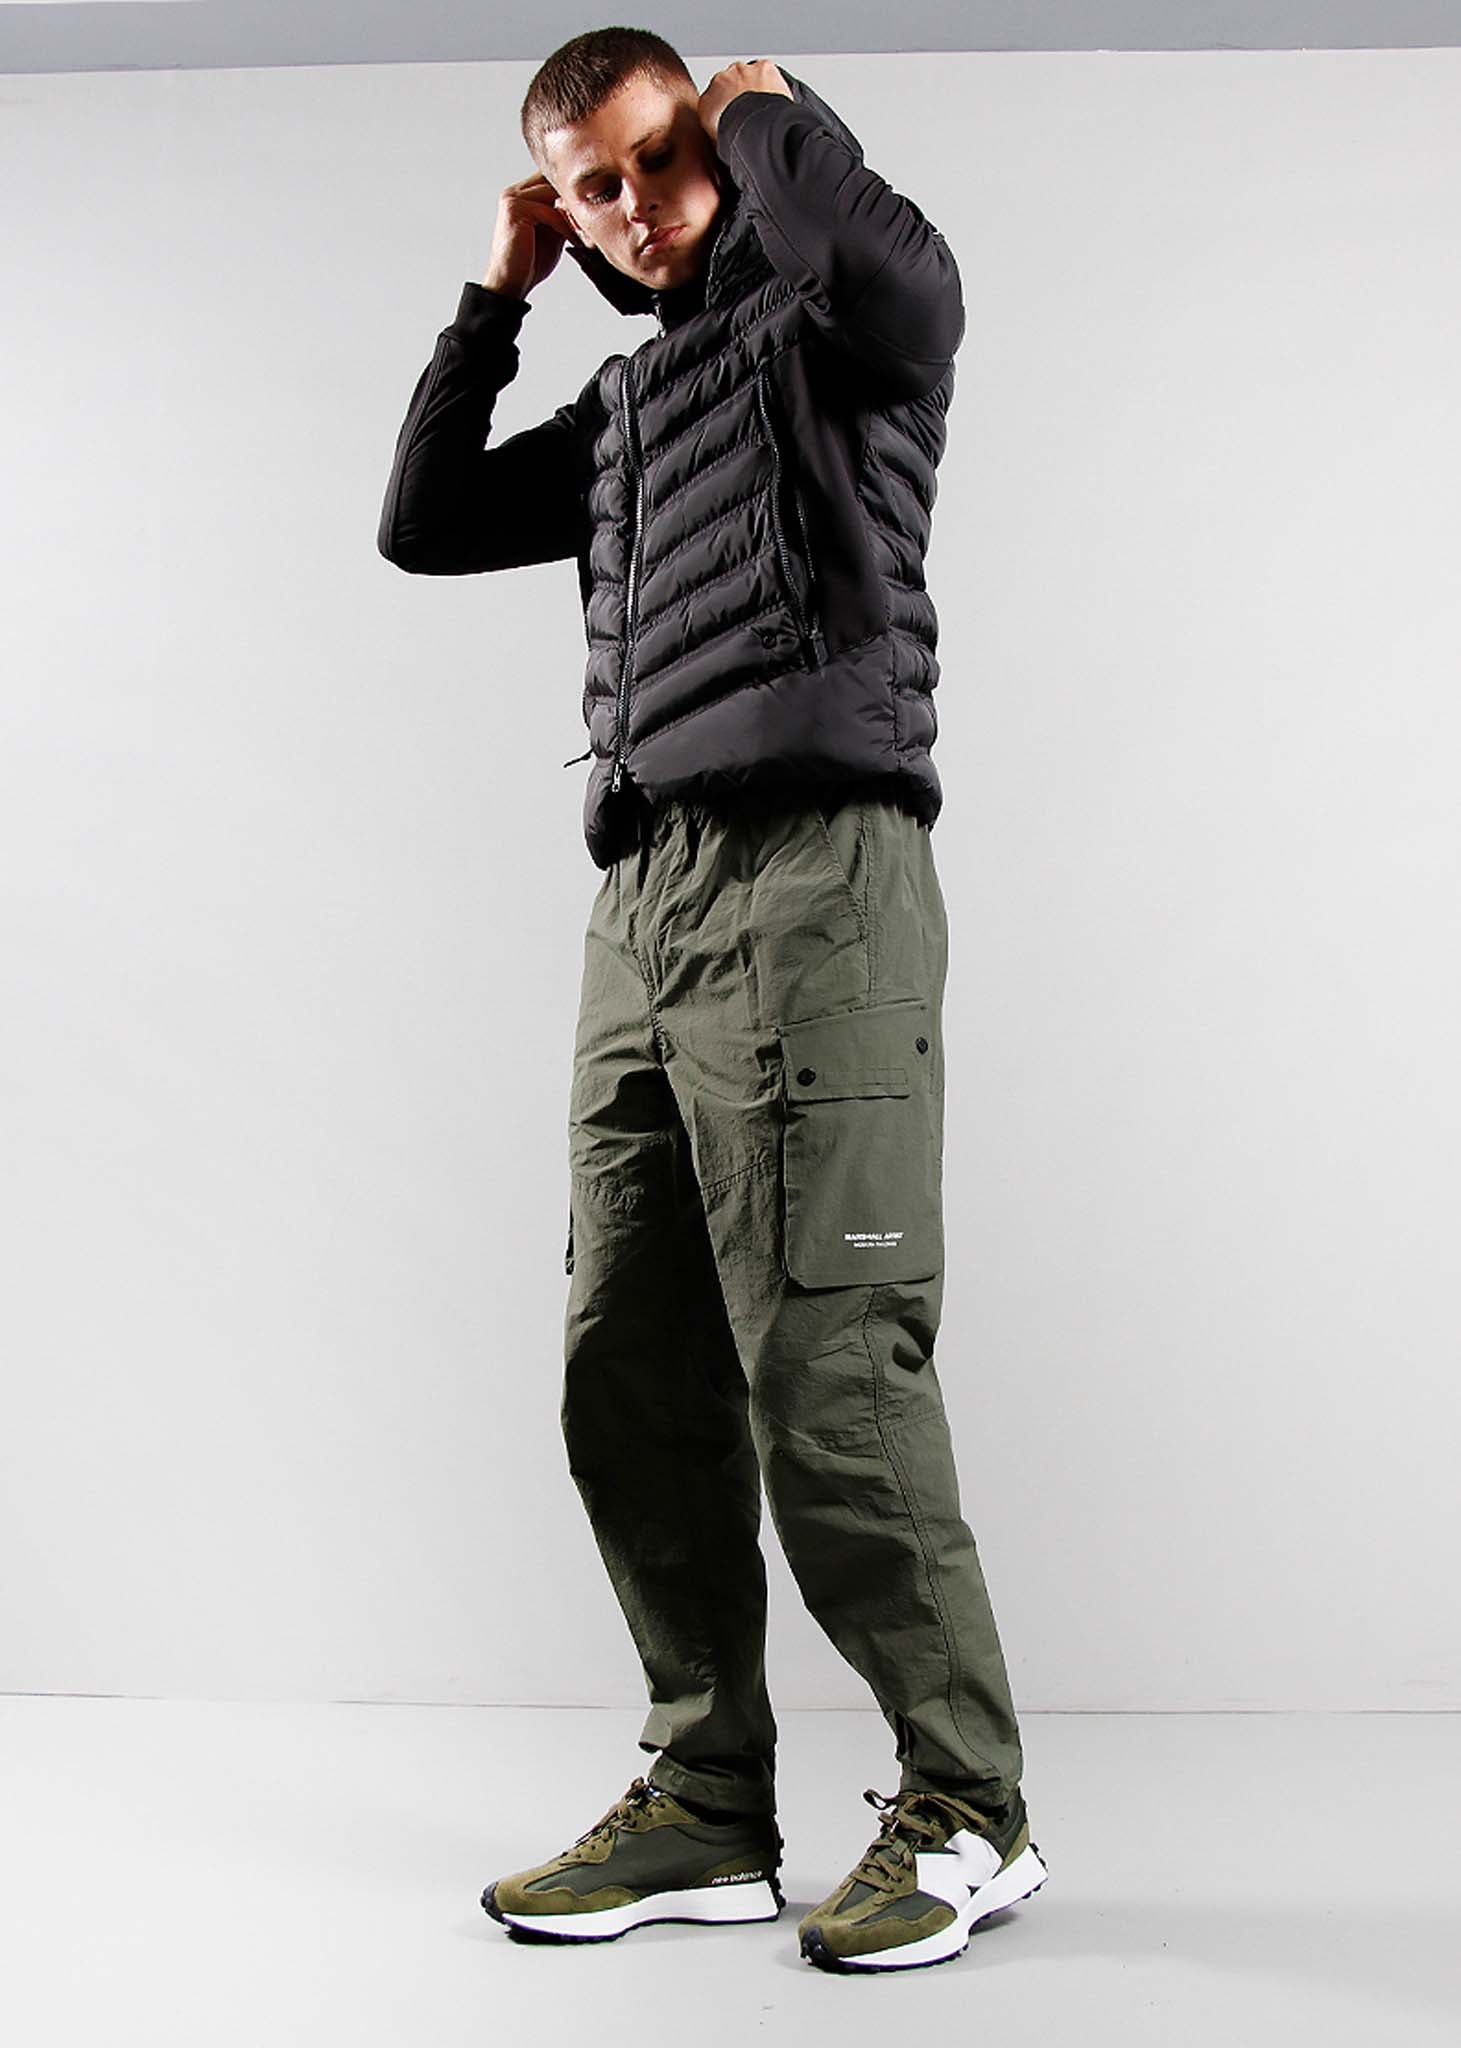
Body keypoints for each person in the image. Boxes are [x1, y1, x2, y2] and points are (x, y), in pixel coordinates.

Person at [377, 23, 1048, 1975]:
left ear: (715, 144)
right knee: (629, 1360)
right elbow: (423, 520)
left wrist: (768, 113)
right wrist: (494, 292)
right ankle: (702, 1800)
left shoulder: (831, 326)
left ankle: (969, 1808)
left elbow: (902, 287)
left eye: (658, 159)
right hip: (644, 899)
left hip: (820, 874)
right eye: (588, 188)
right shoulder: (621, 405)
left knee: (827, 1364)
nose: (633, 209)